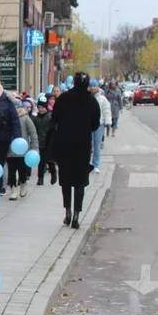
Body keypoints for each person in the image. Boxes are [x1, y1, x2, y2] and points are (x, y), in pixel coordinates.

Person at [51, 72, 100, 230]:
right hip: (82, 145)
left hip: (65, 144)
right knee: (80, 181)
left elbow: (55, 118)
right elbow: (95, 124)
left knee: (66, 180)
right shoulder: (91, 101)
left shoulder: (64, 98)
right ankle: (77, 214)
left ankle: (68, 212)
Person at [7, 99, 39, 200]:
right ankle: (13, 189)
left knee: (22, 170)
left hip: (23, 150)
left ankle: (23, 183)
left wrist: (35, 147)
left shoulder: (25, 118)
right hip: (10, 150)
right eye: (14, 107)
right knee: (11, 171)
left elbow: (33, 132)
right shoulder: (7, 118)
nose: (15, 110)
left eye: (17, 107)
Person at [33, 95, 56, 186]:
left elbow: (54, 128)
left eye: (42, 107)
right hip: (40, 141)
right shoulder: (36, 119)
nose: (41, 109)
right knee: (41, 161)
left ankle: (53, 174)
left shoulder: (50, 116)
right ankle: (40, 178)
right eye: (39, 107)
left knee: (49, 160)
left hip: (49, 141)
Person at [89, 79, 111, 173]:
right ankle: (88, 164)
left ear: (98, 87)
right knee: (89, 145)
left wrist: (108, 122)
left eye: (95, 86)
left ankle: (96, 164)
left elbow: (106, 111)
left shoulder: (102, 99)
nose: (93, 87)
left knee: (97, 145)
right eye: (91, 86)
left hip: (99, 125)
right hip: (88, 125)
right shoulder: (86, 97)